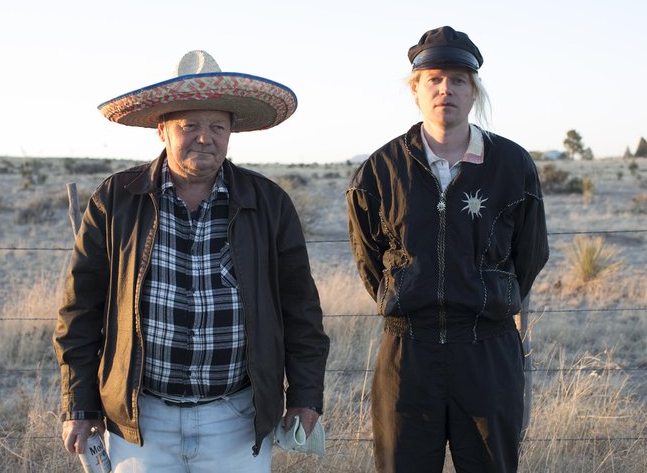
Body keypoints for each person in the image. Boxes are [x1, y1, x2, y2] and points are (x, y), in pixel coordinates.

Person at [54, 50, 329, 472]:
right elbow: (80, 311)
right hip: (141, 421)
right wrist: (80, 404)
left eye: (217, 126)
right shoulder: (116, 200)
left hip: (236, 419)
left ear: (231, 132)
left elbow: (301, 311)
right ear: (162, 129)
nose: (206, 137)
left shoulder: (269, 204)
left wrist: (305, 397)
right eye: (191, 125)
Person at [346, 26, 549, 473]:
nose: (446, 89)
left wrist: (485, 296)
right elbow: (369, 260)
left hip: (487, 349)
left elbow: (529, 256)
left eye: (458, 79)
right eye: (434, 79)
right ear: (415, 89)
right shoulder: (380, 171)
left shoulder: (512, 166)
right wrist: (405, 298)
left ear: (474, 90)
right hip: (407, 355)